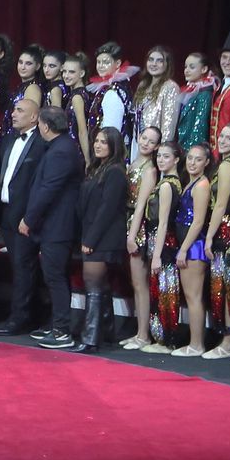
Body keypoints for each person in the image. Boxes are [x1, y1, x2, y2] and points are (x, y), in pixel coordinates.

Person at [21, 107, 85, 350]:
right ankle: (57, 324)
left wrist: (29, 219)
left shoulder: (61, 151)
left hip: (58, 226)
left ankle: (62, 331)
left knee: (55, 276)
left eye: (39, 124)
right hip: (55, 225)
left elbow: (48, 189)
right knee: (55, 275)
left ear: (46, 126)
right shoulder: (62, 147)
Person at [70, 127, 129, 354]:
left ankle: (90, 338)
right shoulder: (96, 169)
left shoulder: (115, 172)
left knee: (93, 284)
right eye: (96, 141)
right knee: (100, 286)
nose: (98, 145)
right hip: (92, 233)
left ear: (114, 146)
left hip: (104, 237)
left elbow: (108, 209)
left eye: (104, 142)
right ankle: (107, 333)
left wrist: (91, 240)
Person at [0, 98, 43, 336]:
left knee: (24, 267)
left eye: (20, 111)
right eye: (13, 109)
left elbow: (39, 185)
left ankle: (20, 318)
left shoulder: (41, 144)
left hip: (26, 216)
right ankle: (24, 314)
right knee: (17, 266)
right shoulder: (9, 139)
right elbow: (3, 178)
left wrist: (30, 217)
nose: (13, 114)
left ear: (34, 117)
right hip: (7, 212)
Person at [159, 143, 215, 357]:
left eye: (198, 159)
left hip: (194, 246)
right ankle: (195, 342)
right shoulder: (191, 182)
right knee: (191, 296)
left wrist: (183, 249)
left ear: (206, 162)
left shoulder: (201, 185)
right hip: (188, 245)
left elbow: (198, 221)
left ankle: (197, 344)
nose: (192, 163)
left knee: (194, 297)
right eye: (190, 158)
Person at [201, 125, 230, 357]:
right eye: (221, 136)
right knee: (229, 285)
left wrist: (209, 236)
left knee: (225, 285)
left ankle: (229, 339)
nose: (222, 140)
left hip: (225, 229)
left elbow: (220, 204)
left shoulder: (227, 165)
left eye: (229, 138)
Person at [119, 126, 165, 352]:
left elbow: (140, 206)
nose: (146, 143)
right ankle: (139, 333)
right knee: (135, 283)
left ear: (156, 147)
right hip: (127, 221)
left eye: (151, 141)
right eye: (144, 138)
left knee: (140, 283)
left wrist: (132, 235)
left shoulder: (150, 170)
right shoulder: (133, 163)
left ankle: (144, 335)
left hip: (139, 227)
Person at [133, 46, 180, 153]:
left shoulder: (170, 87)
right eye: (151, 60)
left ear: (167, 64)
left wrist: (162, 152)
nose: (154, 64)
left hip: (154, 146)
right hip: (138, 141)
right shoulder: (142, 85)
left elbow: (168, 126)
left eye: (159, 61)